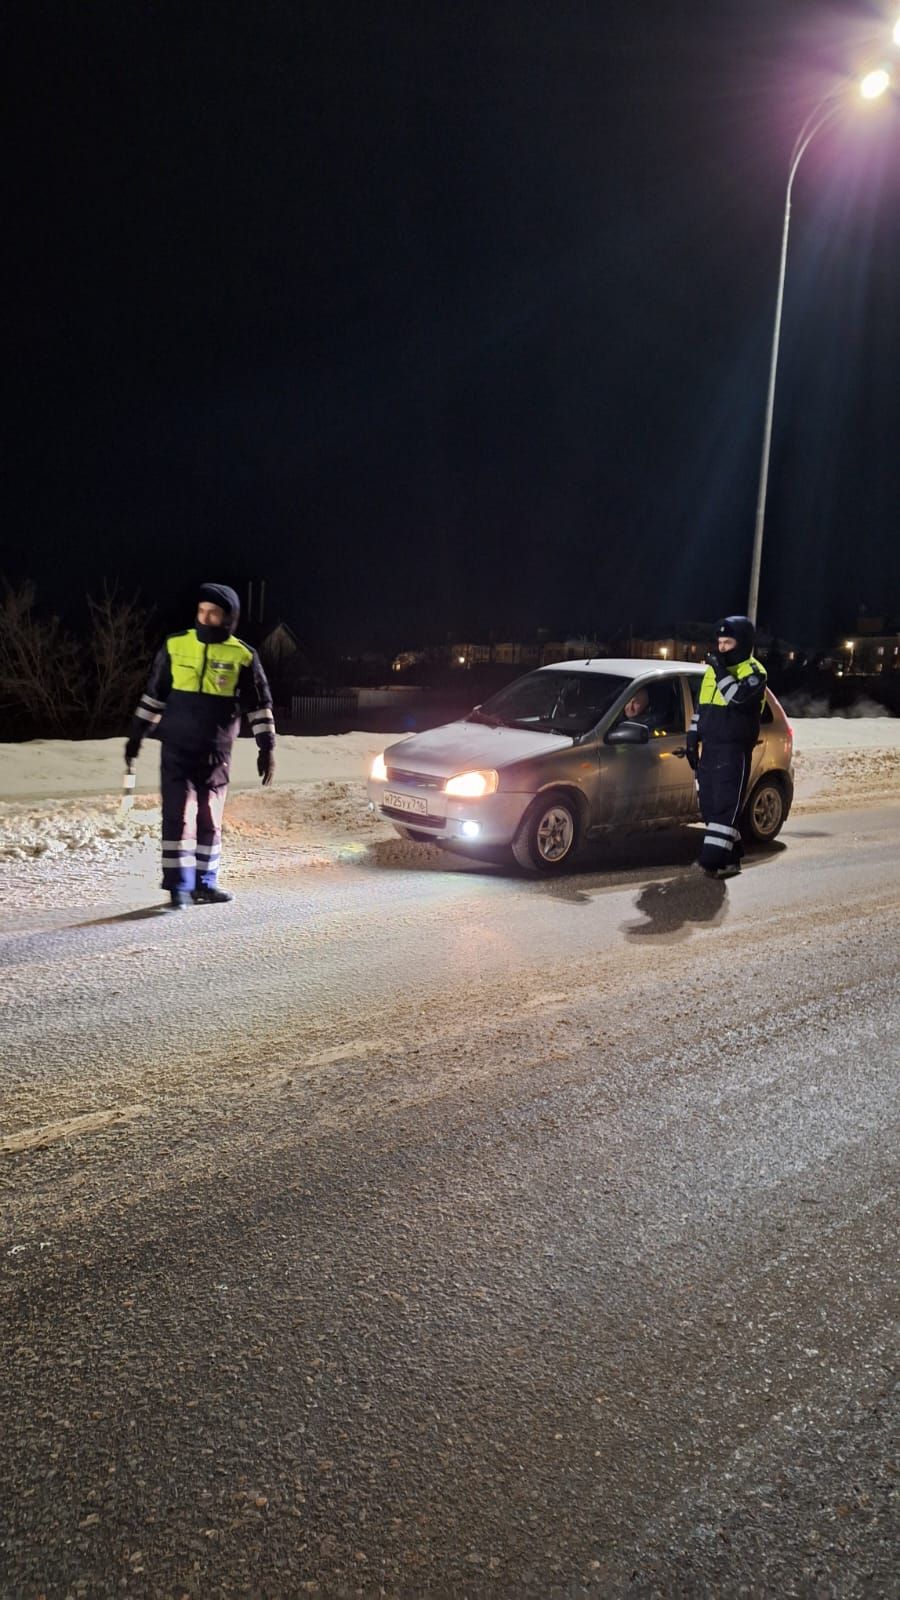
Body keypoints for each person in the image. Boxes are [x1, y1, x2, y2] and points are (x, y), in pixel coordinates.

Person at [125, 582, 276, 909]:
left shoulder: (244, 655)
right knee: (176, 816)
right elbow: (154, 696)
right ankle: (178, 888)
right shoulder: (175, 645)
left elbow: (259, 705)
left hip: (216, 753)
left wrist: (267, 748)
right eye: (201, 611)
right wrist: (136, 735)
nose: (205, 618)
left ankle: (205, 884)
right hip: (176, 748)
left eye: (214, 613)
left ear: (229, 618)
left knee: (209, 818)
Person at [686, 615, 767, 879]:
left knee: (724, 806)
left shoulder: (754, 672)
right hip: (709, 748)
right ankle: (731, 858)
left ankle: (712, 860)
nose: (721, 648)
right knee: (709, 806)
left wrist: (721, 670)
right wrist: (693, 735)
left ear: (742, 643)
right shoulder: (713, 671)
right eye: (719, 642)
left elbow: (738, 699)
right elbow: (702, 708)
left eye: (727, 642)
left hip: (733, 750)